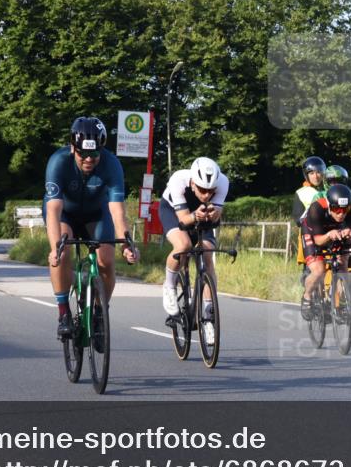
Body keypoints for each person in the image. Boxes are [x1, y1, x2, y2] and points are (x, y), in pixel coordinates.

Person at [44, 117, 138, 338]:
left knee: (106, 260)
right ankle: (64, 313)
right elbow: (53, 210)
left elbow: (117, 211)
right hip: (65, 213)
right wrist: (53, 248)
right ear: (72, 147)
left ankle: (98, 313)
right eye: (82, 154)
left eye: (94, 154)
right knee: (63, 251)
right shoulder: (58, 161)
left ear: (101, 150)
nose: (88, 159)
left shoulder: (111, 164)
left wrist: (126, 243)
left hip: (97, 213)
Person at [159, 157, 229, 345]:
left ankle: (207, 316)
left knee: (207, 253)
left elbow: (218, 213)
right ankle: (170, 286)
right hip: (173, 211)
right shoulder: (178, 180)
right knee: (183, 246)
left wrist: (214, 213)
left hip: (202, 214)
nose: (207, 195)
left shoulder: (222, 182)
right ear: (192, 183)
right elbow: (183, 220)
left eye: (210, 191)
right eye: (202, 190)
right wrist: (195, 215)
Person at [299, 184, 351, 320]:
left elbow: (350, 233)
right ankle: (307, 297)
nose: (341, 214)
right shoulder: (317, 208)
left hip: (335, 231)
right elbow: (319, 241)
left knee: (342, 265)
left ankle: (337, 305)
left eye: (345, 209)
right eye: (337, 209)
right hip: (313, 233)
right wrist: (328, 235)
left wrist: (350, 234)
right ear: (329, 205)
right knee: (319, 270)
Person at [292, 156, 327, 267]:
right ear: (306, 175)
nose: (315, 176)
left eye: (318, 172)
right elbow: (298, 220)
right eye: (311, 173)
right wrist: (313, 209)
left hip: (330, 235)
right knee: (313, 272)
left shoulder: (331, 190)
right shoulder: (301, 192)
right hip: (310, 237)